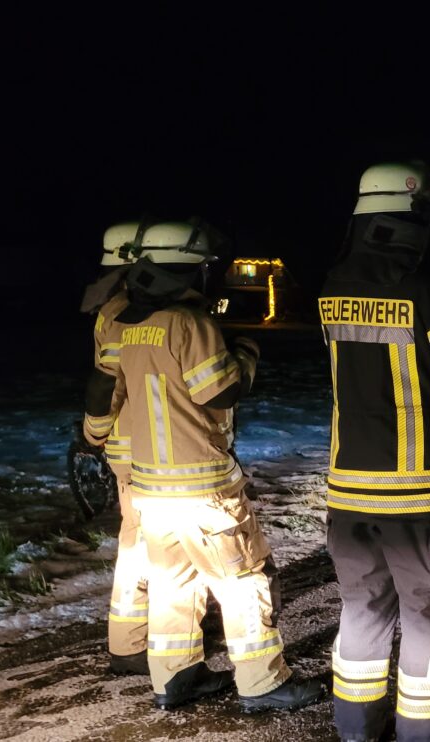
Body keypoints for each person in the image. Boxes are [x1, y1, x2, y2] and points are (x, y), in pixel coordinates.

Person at [83, 219, 325, 712]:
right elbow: (221, 389)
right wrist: (246, 352)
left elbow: (108, 388)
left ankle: (175, 678)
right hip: (202, 487)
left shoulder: (126, 322)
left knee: (173, 583)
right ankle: (262, 683)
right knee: (241, 580)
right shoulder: (187, 323)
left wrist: (91, 436)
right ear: (194, 269)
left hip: (150, 487)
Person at [319, 161, 430, 742]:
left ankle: (355, 727)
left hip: (347, 488)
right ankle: (423, 732)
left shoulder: (331, 287)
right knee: (429, 614)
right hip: (416, 490)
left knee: (362, 607)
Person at [80, 220, 149, 675]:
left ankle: (131, 640)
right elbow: (112, 384)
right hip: (146, 449)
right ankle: (138, 645)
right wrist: (96, 433)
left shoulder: (109, 306)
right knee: (146, 549)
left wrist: (95, 436)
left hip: (127, 446)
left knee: (137, 545)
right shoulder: (129, 309)